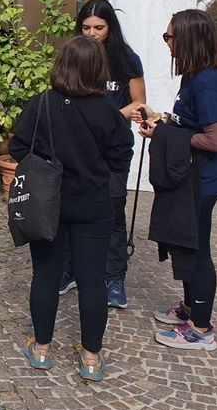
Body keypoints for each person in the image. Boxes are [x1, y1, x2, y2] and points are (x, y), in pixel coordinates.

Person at [10, 36, 133, 382]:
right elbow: (122, 156)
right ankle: (90, 358)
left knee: (46, 275)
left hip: (48, 203)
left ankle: (42, 349)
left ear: (61, 65)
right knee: (93, 279)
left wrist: (45, 163)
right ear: (98, 69)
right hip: (93, 204)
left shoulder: (42, 104)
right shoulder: (108, 112)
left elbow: (18, 147)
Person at [140, 9, 217, 351]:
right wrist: (162, 119)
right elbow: (189, 123)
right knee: (188, 245)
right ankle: (191, 309)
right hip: (190, 177)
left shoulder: (208, 83)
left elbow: (215, 140)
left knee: (198, 249)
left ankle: (201, 329)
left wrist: (164, 135)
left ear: (188, 39)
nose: (166, 42)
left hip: (202, 182)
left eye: (170, 36)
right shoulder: (193, 77)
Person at [59, 0, 147, 308]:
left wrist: (106, 118)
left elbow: (139, 102)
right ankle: (69, 269)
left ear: (111, 27)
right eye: (86, 27)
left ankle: (114, 277)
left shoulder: (126, 59)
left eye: (99, 27)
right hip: (77, 146)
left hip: (112, 147)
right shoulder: (74, 56)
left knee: (112, 208)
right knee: (69, 207)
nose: (92, 33)